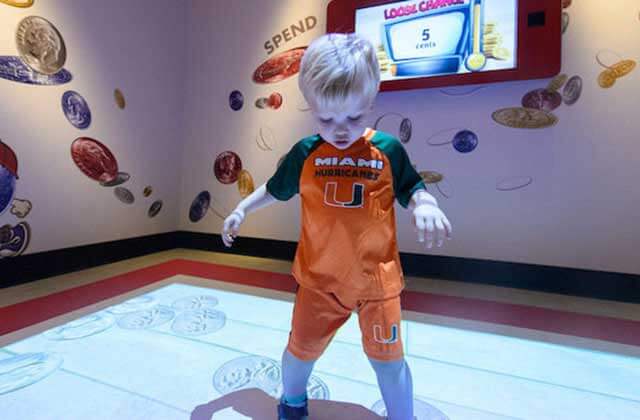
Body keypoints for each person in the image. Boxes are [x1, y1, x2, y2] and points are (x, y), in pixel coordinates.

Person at [222, 33, 452, 420]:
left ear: (371, 100)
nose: (341, 129)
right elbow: (275, 189)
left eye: (354, 117)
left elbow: (412, 187)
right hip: (319, 281)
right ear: (311, 106)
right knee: (300, 351)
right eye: (326, 118)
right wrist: (242, 209)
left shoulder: (388, 150)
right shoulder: (306, 153)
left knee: (390, 362)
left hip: (377, 283)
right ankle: (292, 403)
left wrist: (425, 203)